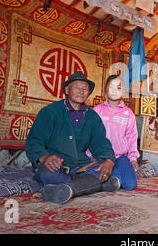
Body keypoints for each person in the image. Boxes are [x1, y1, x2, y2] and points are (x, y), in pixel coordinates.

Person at [25, 71, 119, 204]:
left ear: (88, 93)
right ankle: (94, 185)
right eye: (77, 87)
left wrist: (109, 161)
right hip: (56, 166)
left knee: (103, 169)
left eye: (85, 89)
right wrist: (45, 158)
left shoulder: (92, 117)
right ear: (67, 90)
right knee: (47, 174)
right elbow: (34, 142)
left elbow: (101, 142)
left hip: (80, 166)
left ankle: (66, 189)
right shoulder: (49, 112)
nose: (81, 91)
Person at [87, 74, 139, 191]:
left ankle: (113, 178)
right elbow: (88, 134)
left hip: (120, 156)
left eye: (119, 88)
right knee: (109, 176)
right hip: (99, 155)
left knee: (130, 184)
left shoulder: (128, 113)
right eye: (111, 87)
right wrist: (89, 154)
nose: (114, 91)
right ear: (105, 89)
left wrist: (133, 158)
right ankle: (111, 178)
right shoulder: (97, 110)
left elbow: (132, 137)